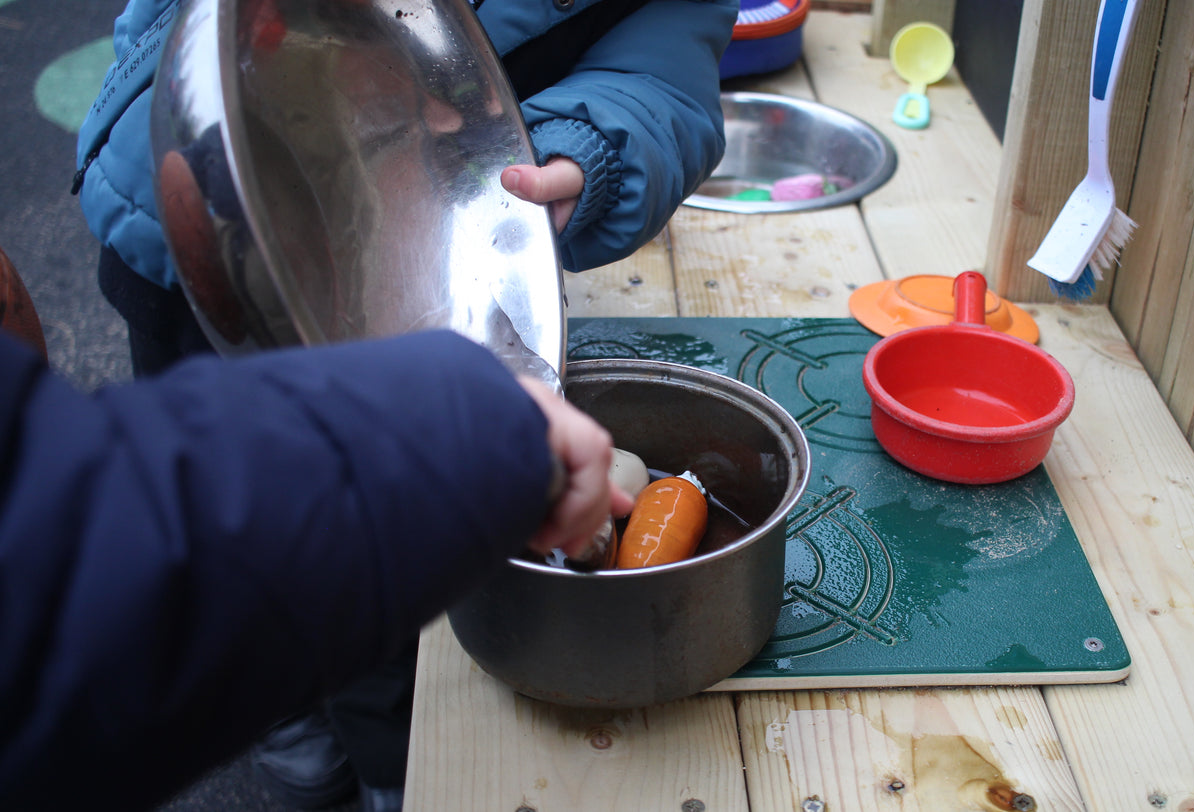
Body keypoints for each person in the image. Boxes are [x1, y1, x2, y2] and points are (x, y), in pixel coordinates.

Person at [73, 0, 738, 809]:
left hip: (427, 249)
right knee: (232, 518)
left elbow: (664, 74)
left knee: (381, 545)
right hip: (205, 230)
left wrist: (589, 144)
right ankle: (289, 725)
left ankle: (388, 760)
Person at [0, 246, 633, 811]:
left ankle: (362, 760)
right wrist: (470, 428)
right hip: (188, 259)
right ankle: (350, 755)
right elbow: (68, 560)